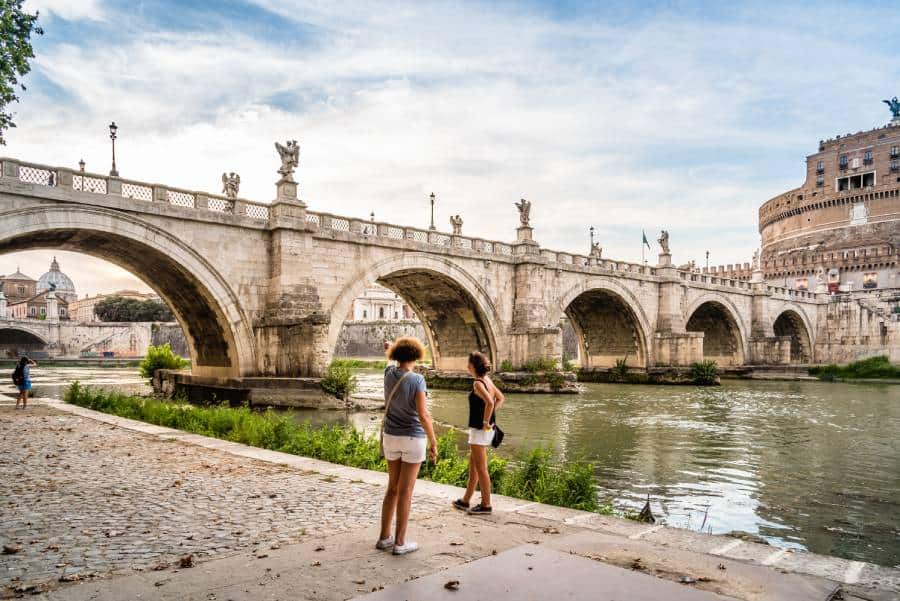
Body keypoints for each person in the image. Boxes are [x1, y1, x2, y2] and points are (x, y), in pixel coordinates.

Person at [377, 337, 438, 556]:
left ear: (396, 356)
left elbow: (391, 364)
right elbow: (423, 414)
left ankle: (384, 537)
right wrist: (434, 441)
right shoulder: (417, 380)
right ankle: (400, 543)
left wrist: (390, 348)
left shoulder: (388, 374)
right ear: (416, 356)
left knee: (392, 488)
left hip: (391, 437)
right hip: (413, 438)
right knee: (406, 491)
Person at [454, 351, 505, 515]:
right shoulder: (487, 380)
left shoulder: (477, 383)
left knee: (481, 468)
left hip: (479, 430)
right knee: (474, 466)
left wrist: (485, 421)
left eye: (468, 363)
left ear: (472, 366)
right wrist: (489, 418)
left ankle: (486, 504)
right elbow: (500, 398)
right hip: (483, 430)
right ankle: (465, 500)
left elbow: (490, 402)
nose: (467, 365)